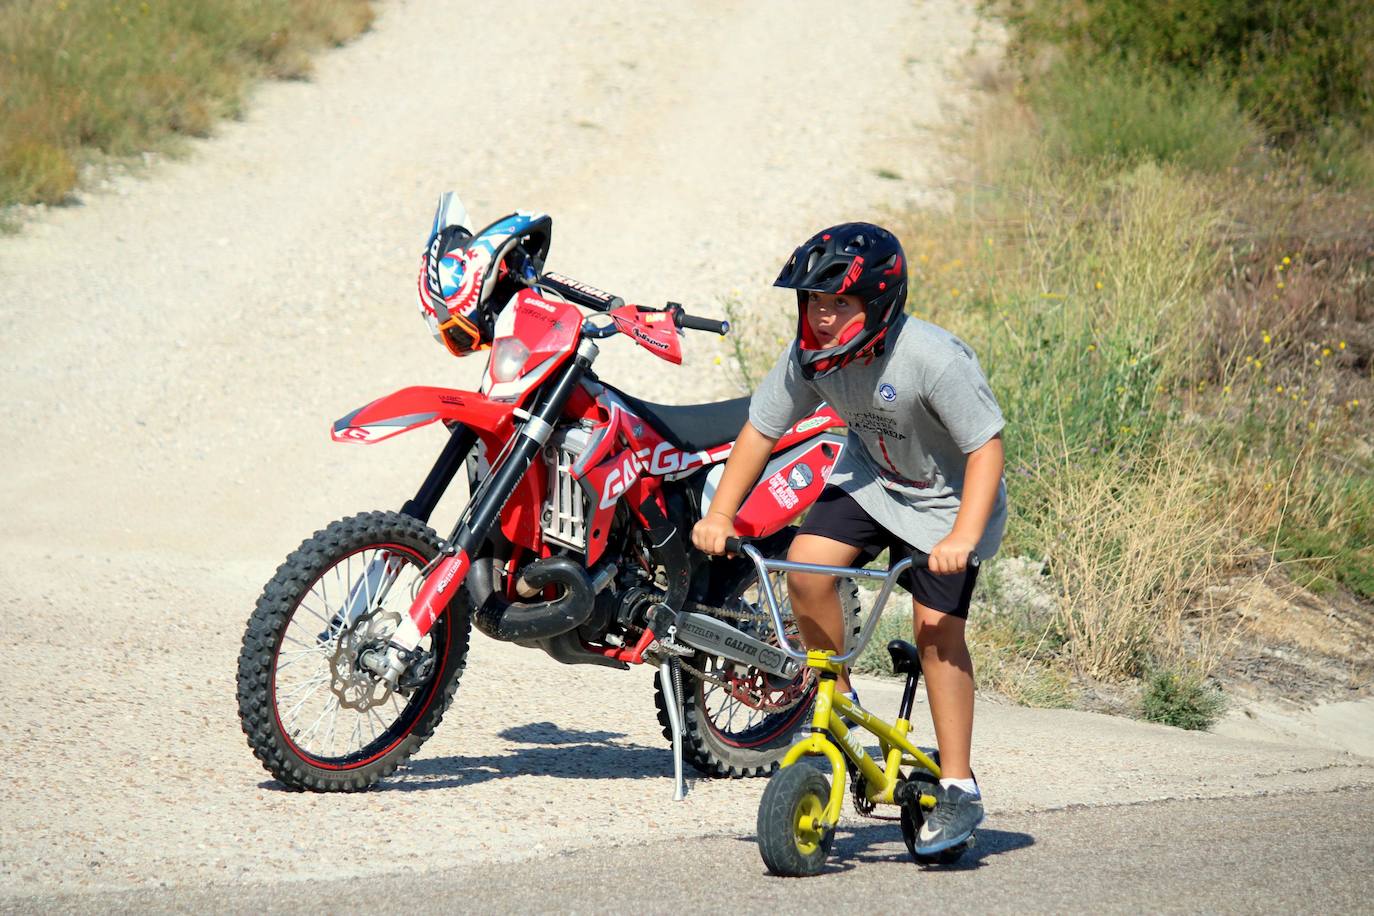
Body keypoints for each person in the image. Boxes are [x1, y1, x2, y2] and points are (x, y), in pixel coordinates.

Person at [692, 222, 1007, 855]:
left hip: (948, 503)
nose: (822, 316)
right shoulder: (810, 354)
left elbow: (985, 449)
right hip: (874, 482)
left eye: (838, 304)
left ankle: (957, 785)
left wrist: (964, 536)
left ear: (880, 305)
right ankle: (837, 697)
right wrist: (721, 514)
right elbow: (760, 431)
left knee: (936, 633)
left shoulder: (932, 359)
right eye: (813, 302)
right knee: (806, 570)